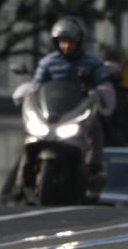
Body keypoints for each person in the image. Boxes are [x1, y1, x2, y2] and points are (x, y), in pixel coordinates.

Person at [32, 16, 115, 182]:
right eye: (63, 41)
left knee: (95, 128)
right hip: (52, 112)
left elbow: (103, 81)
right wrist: (28, 93)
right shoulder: (48, 63)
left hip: (79, 111)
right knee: (31, 140)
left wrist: (102, 90)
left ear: (79, 41)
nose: (67, 45)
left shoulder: (92, 62)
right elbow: (36, 85)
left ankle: (93, 168)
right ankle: (22, 180)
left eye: (70, 41)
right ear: (56, 42)